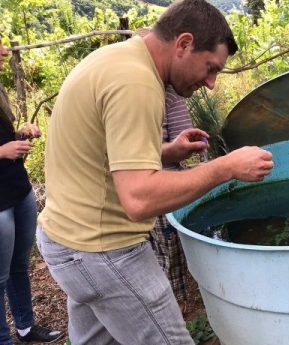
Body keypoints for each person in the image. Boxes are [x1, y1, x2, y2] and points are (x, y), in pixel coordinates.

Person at [36, 0, 274, 343]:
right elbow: (138, 198)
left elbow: (102, 154)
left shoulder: (116, 59)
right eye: (211, 67)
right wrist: (225, 167)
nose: (211, 84)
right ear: (184, 44)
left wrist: (165, 152)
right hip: (105, 251)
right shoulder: (137, 83)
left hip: (68, 242)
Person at [0, 39, 64, 344]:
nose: (3, 53)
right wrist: (2, 151)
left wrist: (21, 134)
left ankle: (25, 327)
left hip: (18, 188)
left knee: (19, 266)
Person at [150, 85, 194, 310]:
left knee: (158, 252)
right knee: (170, 252)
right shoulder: (167, 94)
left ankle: (170, 302)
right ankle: (175, 305)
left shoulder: (167, 96)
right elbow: (184, 146)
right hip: (164, 188)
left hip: (138, 189)